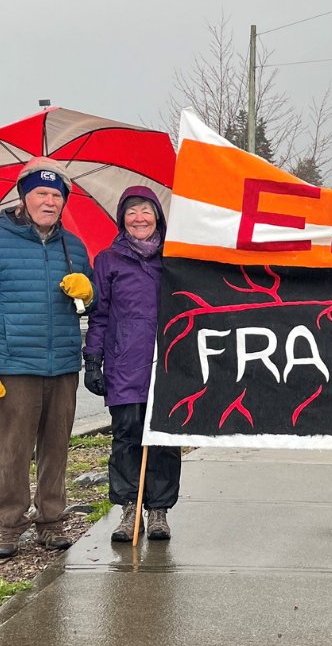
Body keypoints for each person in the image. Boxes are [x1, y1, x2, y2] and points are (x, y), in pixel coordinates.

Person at [0, 157, 94, 558]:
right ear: (25, 196)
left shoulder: (73, 245)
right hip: (14, 362)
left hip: (63, 363)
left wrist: (87, 294)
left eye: (57, 195)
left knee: (57, 445)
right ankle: (7, 524)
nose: (50, 201)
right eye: (42, 193)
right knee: (12, 448)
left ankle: (52, 521)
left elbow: (92, 304)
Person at [83, 186, 181, 542]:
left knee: (165, 438)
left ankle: (158, 511)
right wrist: (93, 359)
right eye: (132, 212)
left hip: (169, 363)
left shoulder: (174, 259)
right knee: (126, 436)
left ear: (157, 216)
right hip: (125, 363)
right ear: (122, 218)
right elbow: (100, 315)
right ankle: (129, 508)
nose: (139, 218)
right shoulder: (108, 260)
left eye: (146, 211)